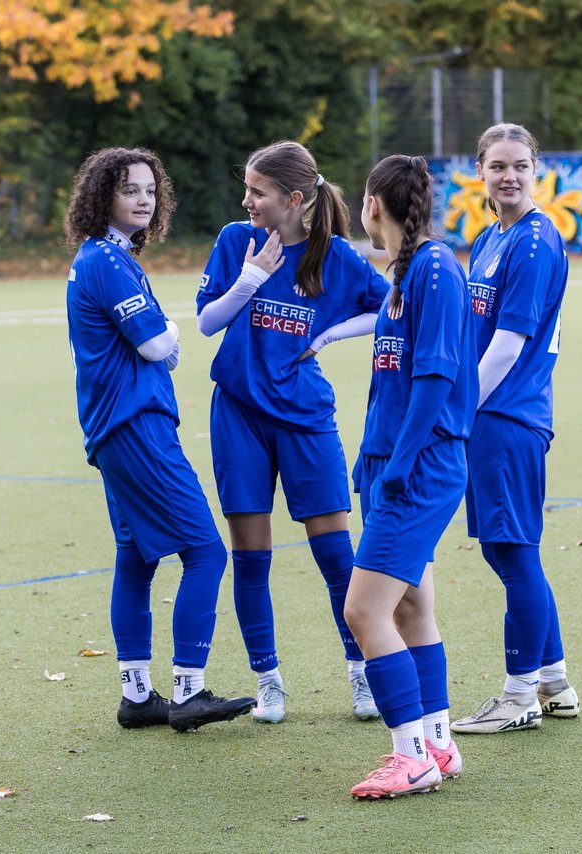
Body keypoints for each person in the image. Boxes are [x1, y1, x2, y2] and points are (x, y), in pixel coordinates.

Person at [195, 141, 390, 724]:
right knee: (251, 557)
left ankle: (361, 674)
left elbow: (390, 307)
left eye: (258, 191)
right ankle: (269, 682)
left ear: (294, 198)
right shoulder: (237, 240)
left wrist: (330, 336)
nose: (247, 199)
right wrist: (251, 278)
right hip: (237, 415)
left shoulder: (336, 256)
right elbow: (208, 322)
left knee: (336, 556)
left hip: (305, 417)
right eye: (248, 189)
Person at [63, 147, 256, 733]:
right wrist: (168, 332)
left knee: (137, 556)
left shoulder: (105, 257)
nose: (143, 199)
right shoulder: (108, 262)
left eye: (149, 189)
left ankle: (138, 695)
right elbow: (159, 348)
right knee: (205, 551)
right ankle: (189, 690)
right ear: (103, 198)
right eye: (130, 190)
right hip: (135, 426)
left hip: (111, 426)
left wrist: (166, 333)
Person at [342, 154, 477, 799]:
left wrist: (396, 464)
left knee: (363, 611)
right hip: (392, 464)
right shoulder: (404, 274)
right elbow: (391, 383)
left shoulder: (435, 267)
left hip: (419, 469)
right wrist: (370, 454)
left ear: (374, 204)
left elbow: (435, 378)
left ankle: (409, 755)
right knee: (411, 606)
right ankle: (439, 742)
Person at [450, 123, 579, 735]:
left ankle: (518, 694)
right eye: (498, 165)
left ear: (537, 171)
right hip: (492, 414)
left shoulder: (533, 241)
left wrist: (458, 407)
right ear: (481, 171)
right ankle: (553, 680)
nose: (509, 175)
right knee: (510, 551)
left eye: (520, 166)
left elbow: (508, 343)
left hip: (506, 414)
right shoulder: (487, 239)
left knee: (513, 551)